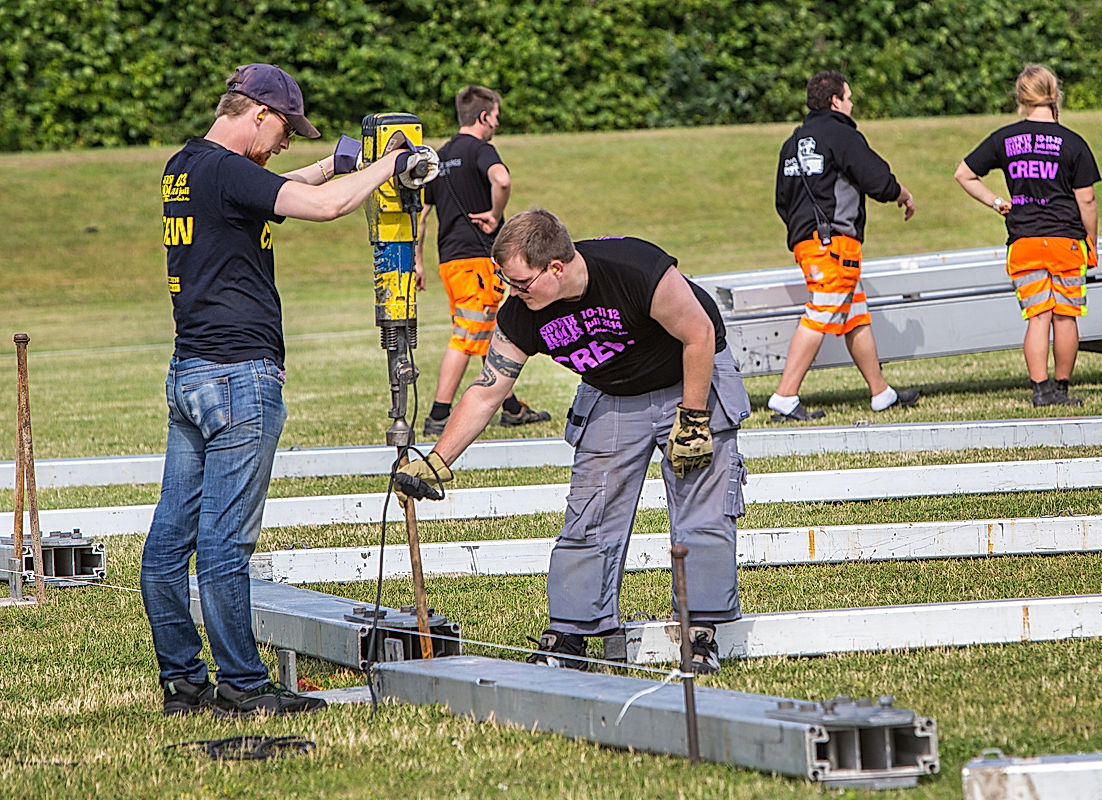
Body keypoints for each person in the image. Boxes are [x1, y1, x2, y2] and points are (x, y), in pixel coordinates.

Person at [142, 63, 435, 716]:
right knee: (224, 545)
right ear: (257, 115)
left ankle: (182, 683)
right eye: (282, 133)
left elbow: (279, 188)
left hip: (189, 372)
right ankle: (245, 689)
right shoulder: (226, 170)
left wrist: (337, 162)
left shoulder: (186, 166)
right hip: (239, 376)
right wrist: (392, 167)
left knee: (169, 542)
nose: (283, 147)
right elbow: (326, 208)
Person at [397, 208, 750, 674]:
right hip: (612, 389)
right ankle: (572, 631)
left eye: (520, 282)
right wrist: (438, 460)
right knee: (590, 508)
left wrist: (693, 418)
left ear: (556, 268)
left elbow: (699, 334)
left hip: (688, 378)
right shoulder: (522, 313)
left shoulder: (636, 269)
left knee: (701, 509)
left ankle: (700, 631)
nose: (512, 293)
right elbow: (488, 390)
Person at [769, 70, 920, 422]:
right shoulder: (841, 134)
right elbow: (877, 179)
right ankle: (785, 397)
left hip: (808, 242)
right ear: (836, 101)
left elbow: (782, 200)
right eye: (849, 98)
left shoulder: (793, 143)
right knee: (821, 312)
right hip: (834, 244)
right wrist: (904, 194)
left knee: (855, 316)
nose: (852, 105)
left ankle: (881, 393)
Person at [955, 64, 1100, 407]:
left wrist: (996, 202)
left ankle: (1040, 391)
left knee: (1038, 317)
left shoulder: (1005, 138)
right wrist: (1091, 241)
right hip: (1065, 241)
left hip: (1024, 242)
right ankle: (1062, 389)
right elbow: (1087, 200)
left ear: (1021, 98)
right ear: (1055, 94)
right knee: (1065, 317)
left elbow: (963, 174)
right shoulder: (1073, 142)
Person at [416, 85, 549, 437]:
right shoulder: (481, 149)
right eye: (496, 118)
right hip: (477, 258)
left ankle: (511, 407)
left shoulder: (438, 157)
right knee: (466, 334)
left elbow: (422, 214)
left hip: (450, 262)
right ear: (483, 116)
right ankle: (439, 416)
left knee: (485, 330)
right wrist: (495, 213)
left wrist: (417, 260)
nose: (497, 124)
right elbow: (502, 179)